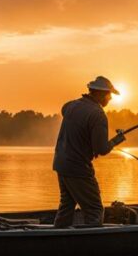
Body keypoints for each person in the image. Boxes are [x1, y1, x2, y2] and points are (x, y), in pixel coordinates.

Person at [52, 76, 125, 227]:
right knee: (95, 209)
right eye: (109, 94)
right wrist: (117, 140)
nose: (110, 98)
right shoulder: (98, 115)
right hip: (78, 168)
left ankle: (56, 239)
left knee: (66, 205)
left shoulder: (71, 106)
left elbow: (64, 109)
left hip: (61, 164)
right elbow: (102, 149)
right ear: (100, 93)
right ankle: (92, 244)